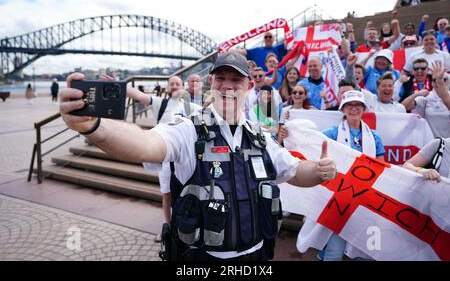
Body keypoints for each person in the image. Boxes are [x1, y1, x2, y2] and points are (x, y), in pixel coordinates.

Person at [59, 51, 337, 261]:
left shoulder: (261, 137)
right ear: (210, 83)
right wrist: (95, 127)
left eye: (236, 79)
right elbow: (145, 143)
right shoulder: (188, 129)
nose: (228, 86)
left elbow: (295, 172)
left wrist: (319, 171)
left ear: (249, 87)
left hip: (258, 256)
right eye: (221, 78)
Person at [319, 90, 385, 261]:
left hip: (366, 198)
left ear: (364, 109)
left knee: (366, 251)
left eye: (357, 105)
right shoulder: (332, 133)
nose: (353, 109)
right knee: (335, 249)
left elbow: (382, 167)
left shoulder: (375, 136)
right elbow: (311, 142)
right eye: (349, 105)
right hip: (340, 197)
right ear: (343, 109)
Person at [403, 62, 450, 138]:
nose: (438, 82)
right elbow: (404, 106)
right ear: (431, 83)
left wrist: (439, 82)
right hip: (430, 143)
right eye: (434, 80)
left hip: (448, 143)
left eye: (443, 79)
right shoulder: (427, 96)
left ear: (448, 82)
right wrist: (416, 94)